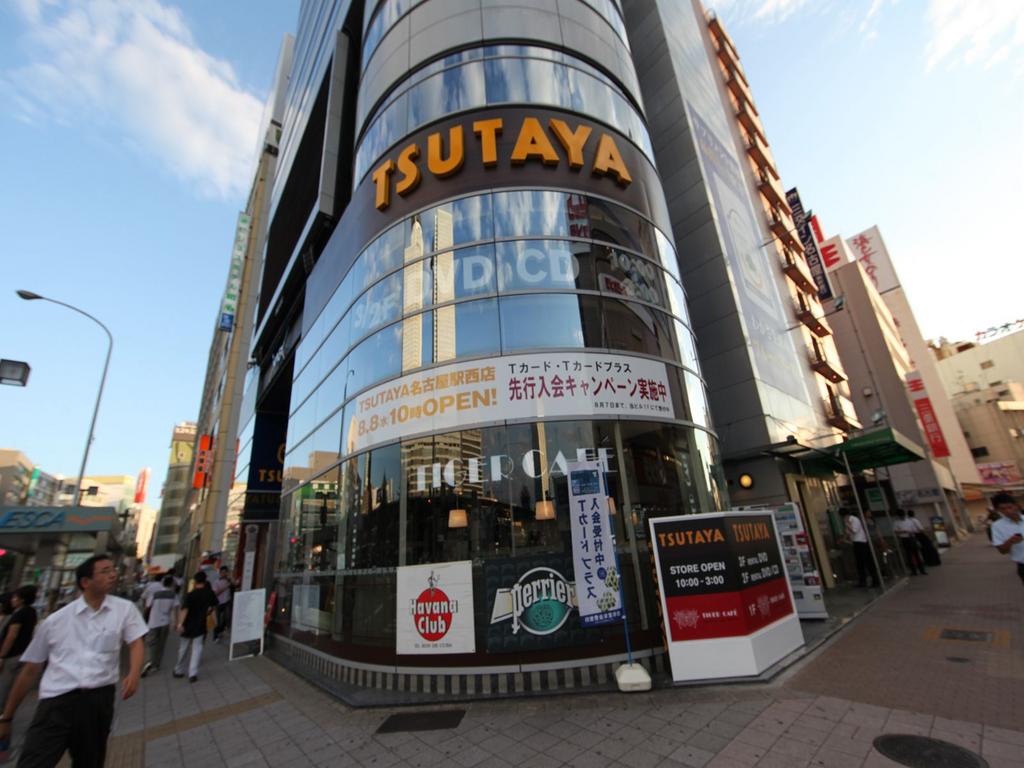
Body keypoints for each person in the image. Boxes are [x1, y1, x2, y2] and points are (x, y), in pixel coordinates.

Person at [0, 555, 147, 767]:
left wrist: (133, 674)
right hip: (56, 702)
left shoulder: (124, 609)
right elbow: (31, 669)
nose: (113, 575)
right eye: (105, 571)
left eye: (113, 569)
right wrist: (7, 716)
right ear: (85, 582)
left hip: (98, 700)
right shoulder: (55, 621)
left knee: (90, 761)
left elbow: (135, 642)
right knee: (34, 761)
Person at [0, 586, 38, 729]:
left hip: (12, 655)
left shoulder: (18, 614)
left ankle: (3, 717)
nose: (12, 600)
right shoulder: (32, 612)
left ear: (22, 599)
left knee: (4, 685)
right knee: (13, 685)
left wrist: (2, 655)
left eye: (15, 597)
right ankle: (8, 713)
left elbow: (12, 635)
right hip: (24, 654)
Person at [173, 572, 217, 682]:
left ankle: (179, 669)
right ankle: (193, 673)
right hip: (200, 624)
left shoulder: (190, 595)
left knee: (183, 649)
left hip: (187, 624)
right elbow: (212, 608)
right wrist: (215, 621)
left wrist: (180, 624)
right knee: (197, 649)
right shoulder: (209, 593)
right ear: (205, 580)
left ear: (195, 581)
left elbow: (185, 610)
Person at [141, 576, 178, 678]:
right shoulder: (173, 595)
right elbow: (175, 610)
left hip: (153, 622)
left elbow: (148, 607)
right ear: (171, 584)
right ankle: (156, 664)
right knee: (161, 644)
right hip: (165, 623)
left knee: (152, 643)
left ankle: (150, 662)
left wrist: (144, 617)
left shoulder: (156, 594)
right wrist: (175, 623)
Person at [989, 492, 1024, 586]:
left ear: (1016, 506)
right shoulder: (997, 526)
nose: (1008, 511)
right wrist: (1010, 541)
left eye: (1010, 507)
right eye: (1003, 509)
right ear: (997, 510)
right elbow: (1002, 551)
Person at [844, 508, 879, 588]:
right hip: (856, 543)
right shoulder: (850, 521)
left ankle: (875, 580)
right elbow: (848, 532)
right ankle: (863, 581)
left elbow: (854, 531)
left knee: (868, 562)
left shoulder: (855, 520)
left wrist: (847, 525)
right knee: (859, 563)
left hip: (862, 543)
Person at [893, 510, 927, 575]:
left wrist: (912, 532)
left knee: (916, 554)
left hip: (912, 537)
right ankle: (913, 571)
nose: (902, 517)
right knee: (909, 555)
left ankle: (922, 570)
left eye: (903, 516)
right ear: (898, 516)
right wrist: (904, 531)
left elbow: (915, 530)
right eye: (901, 516)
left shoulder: (909, 521)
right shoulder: (896, 522)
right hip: (904, 539)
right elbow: (895, 531)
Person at [211, 567, 234, 643]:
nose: (224, 574)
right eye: (222, 572)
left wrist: (232, 579)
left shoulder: (229, 581)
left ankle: (221, 630)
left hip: (227, 602)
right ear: (220, 573)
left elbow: (235, 585)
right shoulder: (216, 582)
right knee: (217, 621)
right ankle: (215, 635)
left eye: (225, 572)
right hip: (218, 603)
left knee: (227, 617)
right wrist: (226, 587)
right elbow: (216, 593)